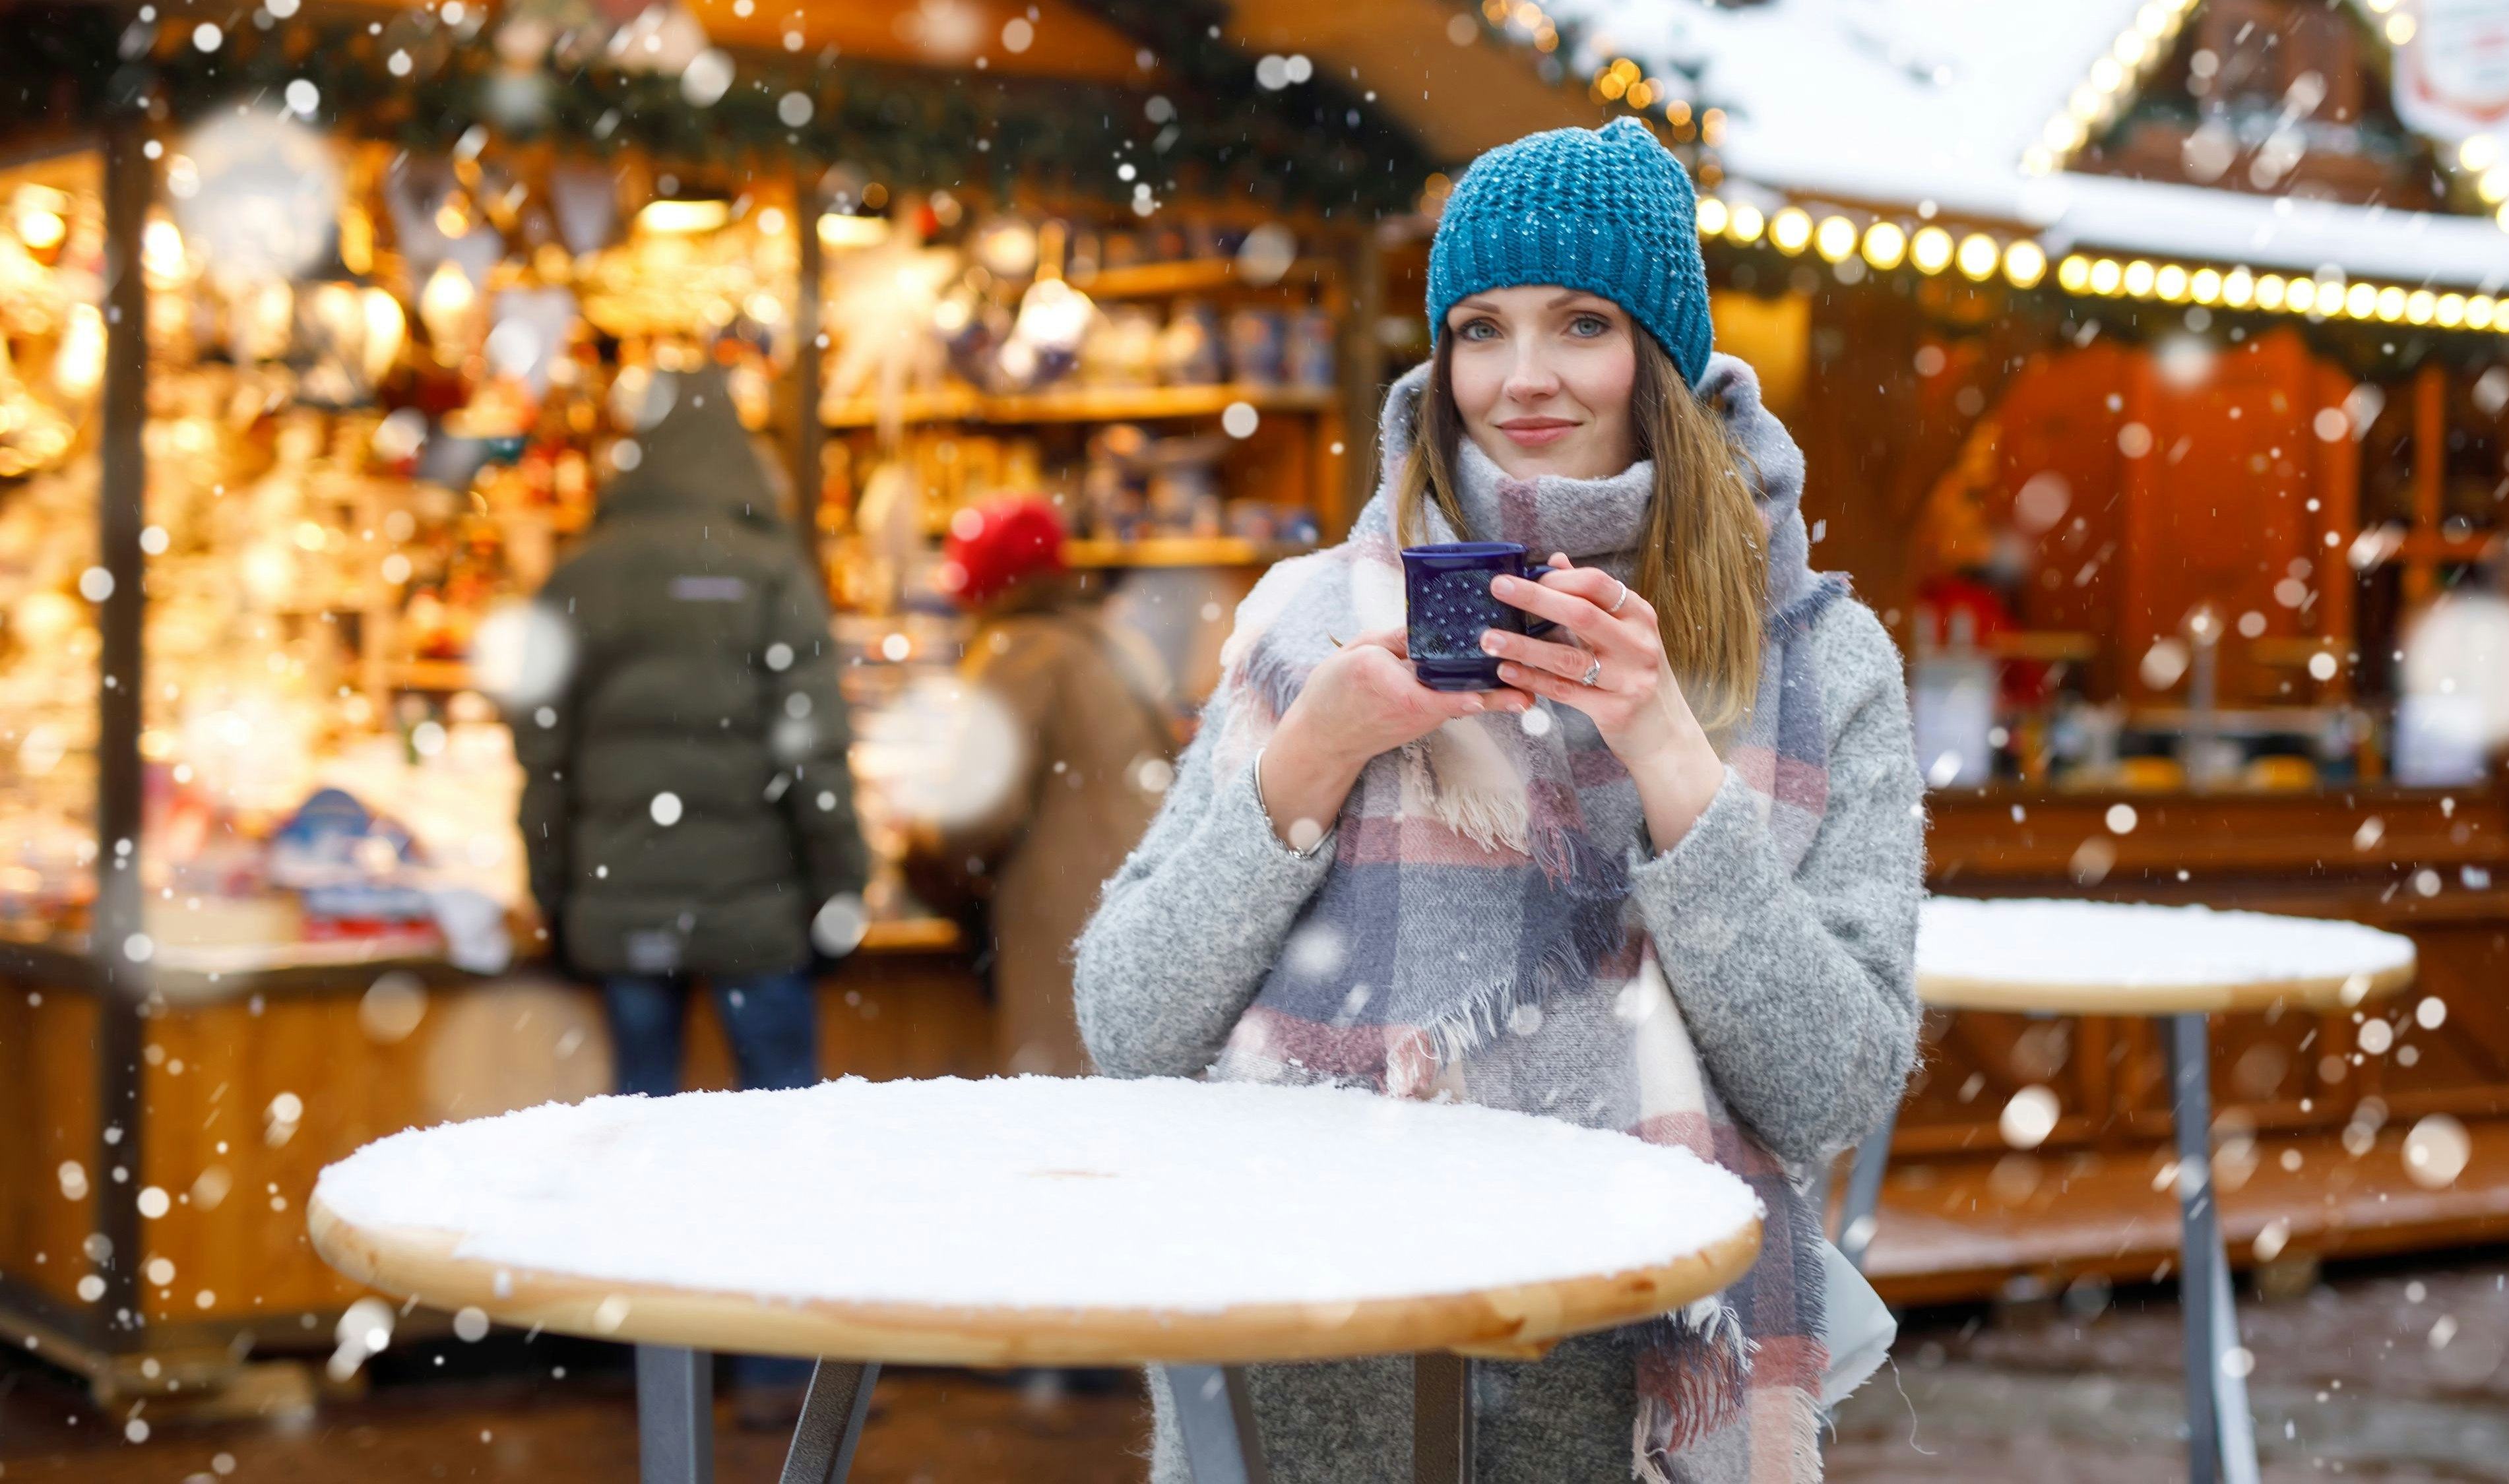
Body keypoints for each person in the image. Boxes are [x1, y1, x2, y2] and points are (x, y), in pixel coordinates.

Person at [1075, 117, 1922, 1483]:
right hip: (1306, 1337)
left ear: (1661, 354)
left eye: (1579, 323)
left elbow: (1827, 1086)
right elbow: (1126, 1021)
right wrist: (1317, 750)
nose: (1519, 379)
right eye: (1478, 329)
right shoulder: (1313, 622)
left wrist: (1662, 746)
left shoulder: (1814, 664)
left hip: (1631, 1373)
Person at [512, 360, 870, 1419]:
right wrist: (839, 881)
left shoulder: (582, 574)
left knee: (640, 1133)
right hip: (755, 905)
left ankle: (652, 1363)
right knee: (777, 1135)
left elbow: (542, 759)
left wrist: (552, 889)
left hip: (623, 902)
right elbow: (816, 752)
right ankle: (778, 1371)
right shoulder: (767, 571)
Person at [903, 495, 1176, 1076]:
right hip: (1143, 909)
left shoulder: (1016, 651)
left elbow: (973, 816)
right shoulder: (1112, 639)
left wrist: (919, 851)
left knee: (1061, 1112)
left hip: (1068, 923)